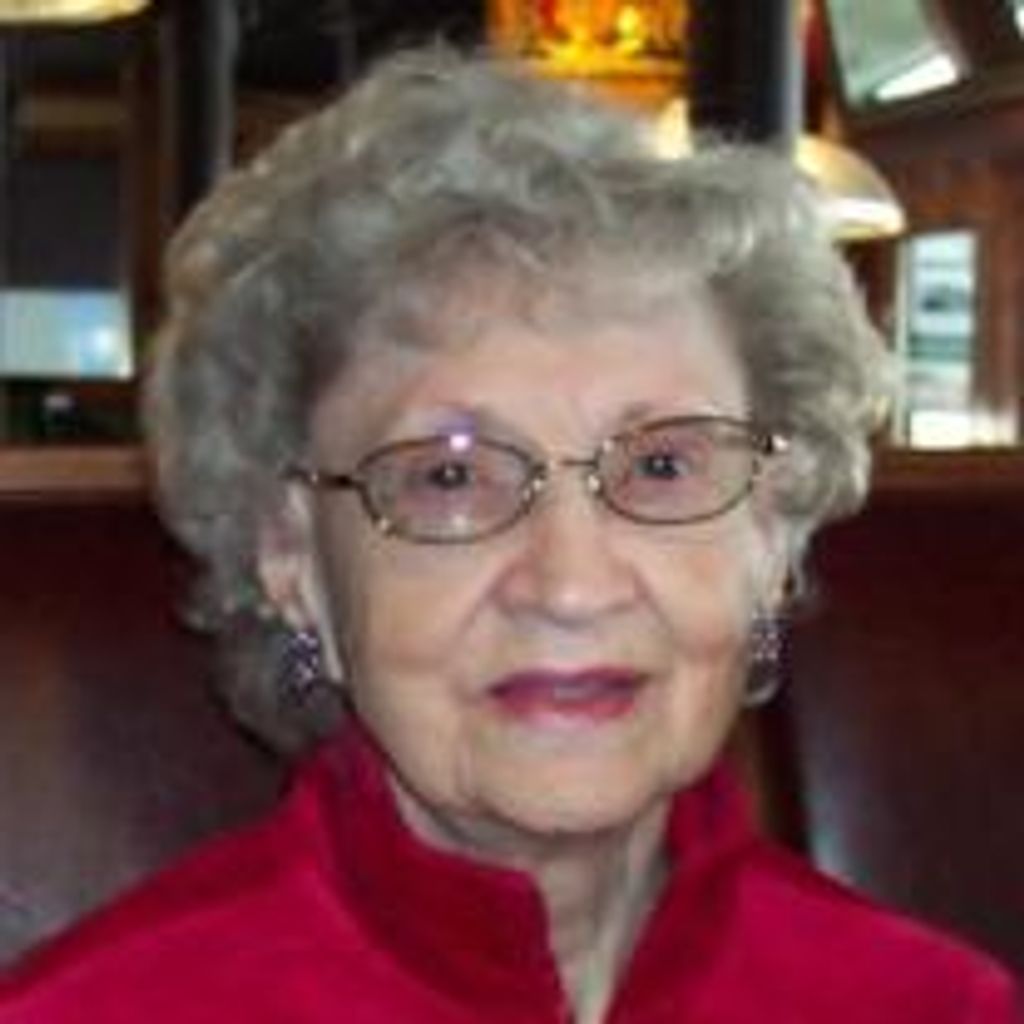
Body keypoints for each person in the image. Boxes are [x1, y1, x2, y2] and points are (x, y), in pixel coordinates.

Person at [1, 46, 1019, 1024]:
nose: (571, 586)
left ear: (772, 535)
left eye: (662, 466)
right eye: (450, 477)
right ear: (292, 556)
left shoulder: (940, 1010)